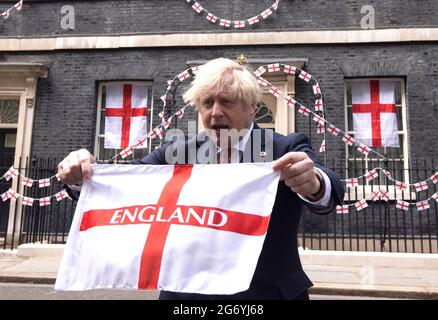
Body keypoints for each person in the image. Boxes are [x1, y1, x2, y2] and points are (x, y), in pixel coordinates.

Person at [57, 57, 344, 300]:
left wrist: (314, 183)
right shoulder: (176, 152)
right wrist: (82, 174)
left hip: (265, 293)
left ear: (252, 107)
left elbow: (330, 189)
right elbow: (125, 182)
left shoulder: (285, 147)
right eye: (207, 102)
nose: (215, 112)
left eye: (226, 102)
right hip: (187, 297)